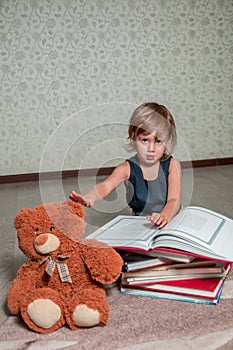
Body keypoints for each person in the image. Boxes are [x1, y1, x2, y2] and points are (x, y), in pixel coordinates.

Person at [70, 102, 181, 228]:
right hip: (141, 223)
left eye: (158, 142)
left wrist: (164, 216)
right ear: (134, 137)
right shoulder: (126, 168)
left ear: (167, 140)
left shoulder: (173, 165)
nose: (151, 148)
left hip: (169, 219)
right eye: (145, 140)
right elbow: (106, 186)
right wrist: (90, 197)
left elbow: (174, 199)